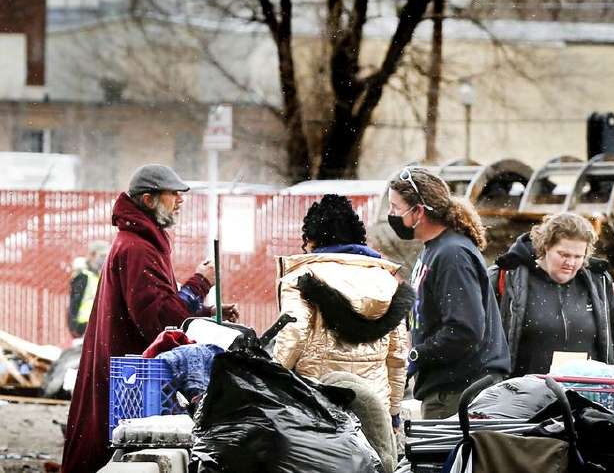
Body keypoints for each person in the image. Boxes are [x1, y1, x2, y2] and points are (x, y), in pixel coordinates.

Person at [62, 164, 237, 473]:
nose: (180, 201)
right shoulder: (137, 248)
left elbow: (156, 307)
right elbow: (159, 320)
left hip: (128, 369)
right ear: (148, 199)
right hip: (128, 374)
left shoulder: (140, 243)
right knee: (115, 451)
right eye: (173, 194)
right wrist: (200, 282)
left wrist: (205, 314)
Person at [272, 194, 411, 428]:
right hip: (372, 413)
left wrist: (271, 389)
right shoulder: (386, 282)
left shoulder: (303, 279)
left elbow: (292, 336)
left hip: (318, 410)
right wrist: (393, 412)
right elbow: (397, 357)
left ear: (312, 239)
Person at [389, 167, 509, 419]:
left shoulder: (452, 254)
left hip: (460, 393)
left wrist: (415, 355)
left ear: (419, 211)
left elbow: (464, 330)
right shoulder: (433, 250)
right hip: (446, 390)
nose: (391, 215)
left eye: (395, 207)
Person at [489, 211, 614, 377]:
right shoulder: (509, 278)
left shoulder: (597, 280)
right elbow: (487, 337)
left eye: (578, 256)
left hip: (587, 392)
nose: (570, 263)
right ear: (545, 247)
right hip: (527, 392)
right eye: (563, 255)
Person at [67, 241, 109, 338]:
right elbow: (74, 302)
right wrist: (73, 326)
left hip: (96, 323)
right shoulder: (83, 275)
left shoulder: (97, 275)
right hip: (84, 324)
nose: (104, 259)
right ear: (92, 254)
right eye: (102, 255)